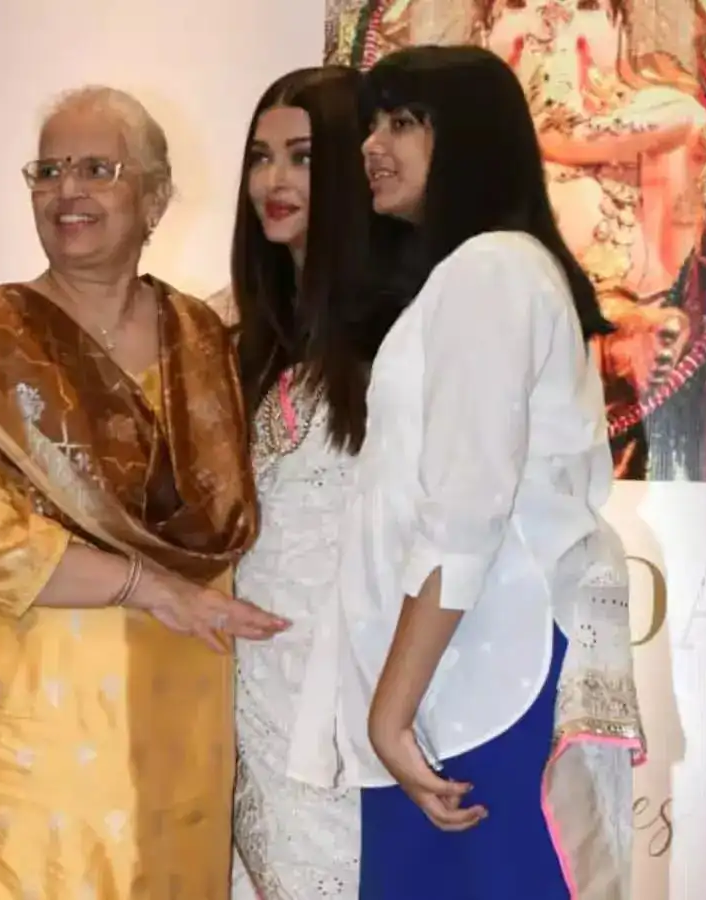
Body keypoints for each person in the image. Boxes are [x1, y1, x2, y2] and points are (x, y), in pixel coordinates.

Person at [0, 85, 289, 900]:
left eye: (96, 169)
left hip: (174, 720)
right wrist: (145, 584)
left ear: (155, 197)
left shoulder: (207, 342)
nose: (66, 191)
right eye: (47, 171)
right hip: (10, 740)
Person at [286, 45, 644, 900]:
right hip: (452, 681)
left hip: (480, 681)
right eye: (372, 123)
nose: (372, 145)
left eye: (403, 122)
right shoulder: (473, 275)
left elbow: (466, 510)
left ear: (472, 139)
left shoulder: (493, 268)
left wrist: (389, 712)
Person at [226, 65, 400, 900]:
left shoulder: (406, 333)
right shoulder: (230, 335)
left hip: (356, 698)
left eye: (301, 157)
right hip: (240, 694)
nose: (275, 181)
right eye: (260, 158)